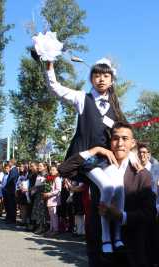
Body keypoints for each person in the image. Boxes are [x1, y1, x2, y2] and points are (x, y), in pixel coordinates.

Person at [44, 57, 130, 254]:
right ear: (91, 78)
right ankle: (106, 238)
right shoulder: (82, 98)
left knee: (120, 189)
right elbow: (55, 88)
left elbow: (122, 133)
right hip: (87, 158)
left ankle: (117, 237)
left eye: (106, 75)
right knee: (108, 187)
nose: (101, 79)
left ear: (112, 80)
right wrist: (49, 66)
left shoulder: (115, 106)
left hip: (108, 158)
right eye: (97, 75)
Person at [59, 122, 156, 267]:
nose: (120, 143)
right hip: (100, 249)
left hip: (130, 250)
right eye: (115, 138)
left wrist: (121, 216)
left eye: (125, 138)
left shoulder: (142, 175)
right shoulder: (98, 167)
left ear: (132, 143)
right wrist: (95, 150)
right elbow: (64, 169)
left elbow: (149, 213)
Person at [43, 165, 62, 237]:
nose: (51, 171)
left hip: (54, 200)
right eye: (51, 170)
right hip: (49, 199)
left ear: (57, 171)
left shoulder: (57, 179)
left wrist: (49, 194)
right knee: (51, 216)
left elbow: (58, 190)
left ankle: (55, 230)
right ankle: (51, 229)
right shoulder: (50, 178)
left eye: (53, 170)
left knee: (54, 215)